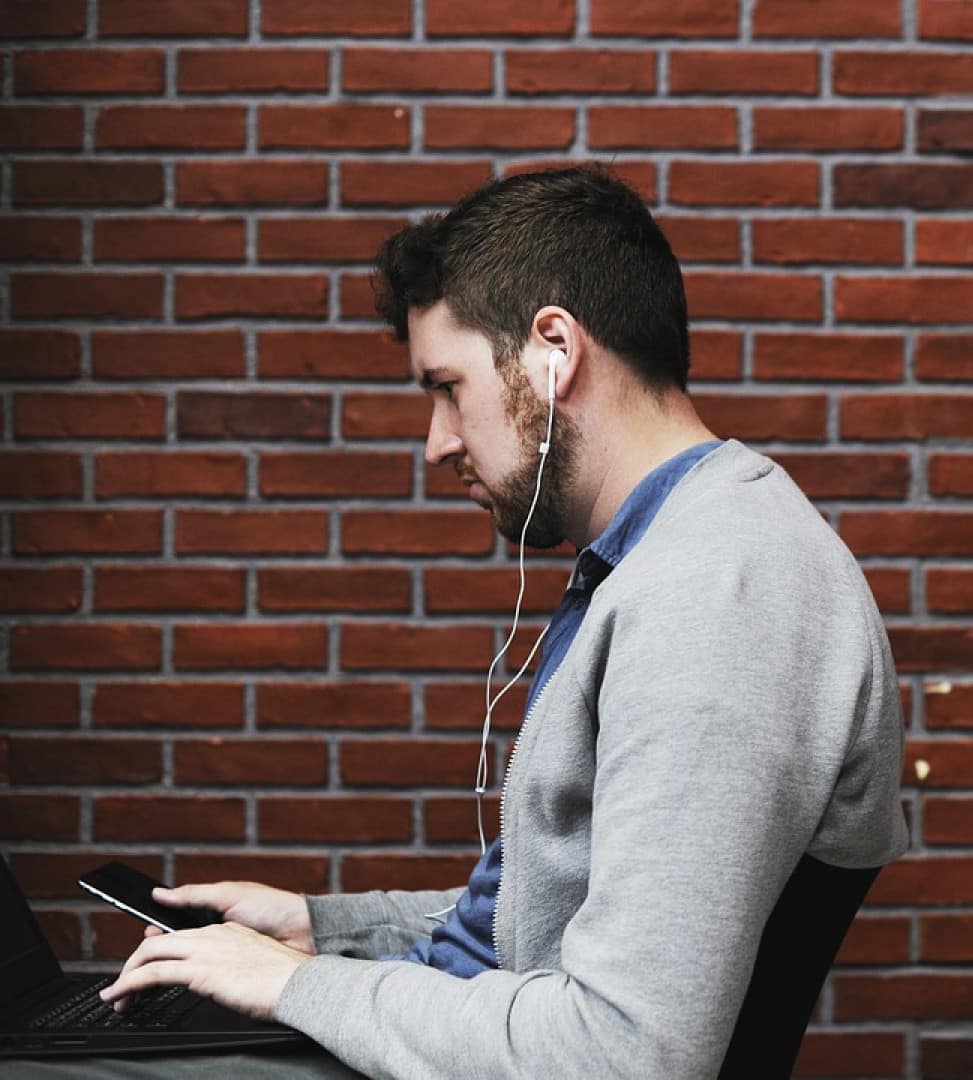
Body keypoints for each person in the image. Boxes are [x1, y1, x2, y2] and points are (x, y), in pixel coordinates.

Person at [87, 167, 909, 1077]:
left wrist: (297, 987)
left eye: (448, 386)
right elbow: (553, 919)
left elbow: (625, 1052)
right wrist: (325, 931)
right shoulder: (669, 552)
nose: (437, 442)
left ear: (554, 350)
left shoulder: (718, 596)